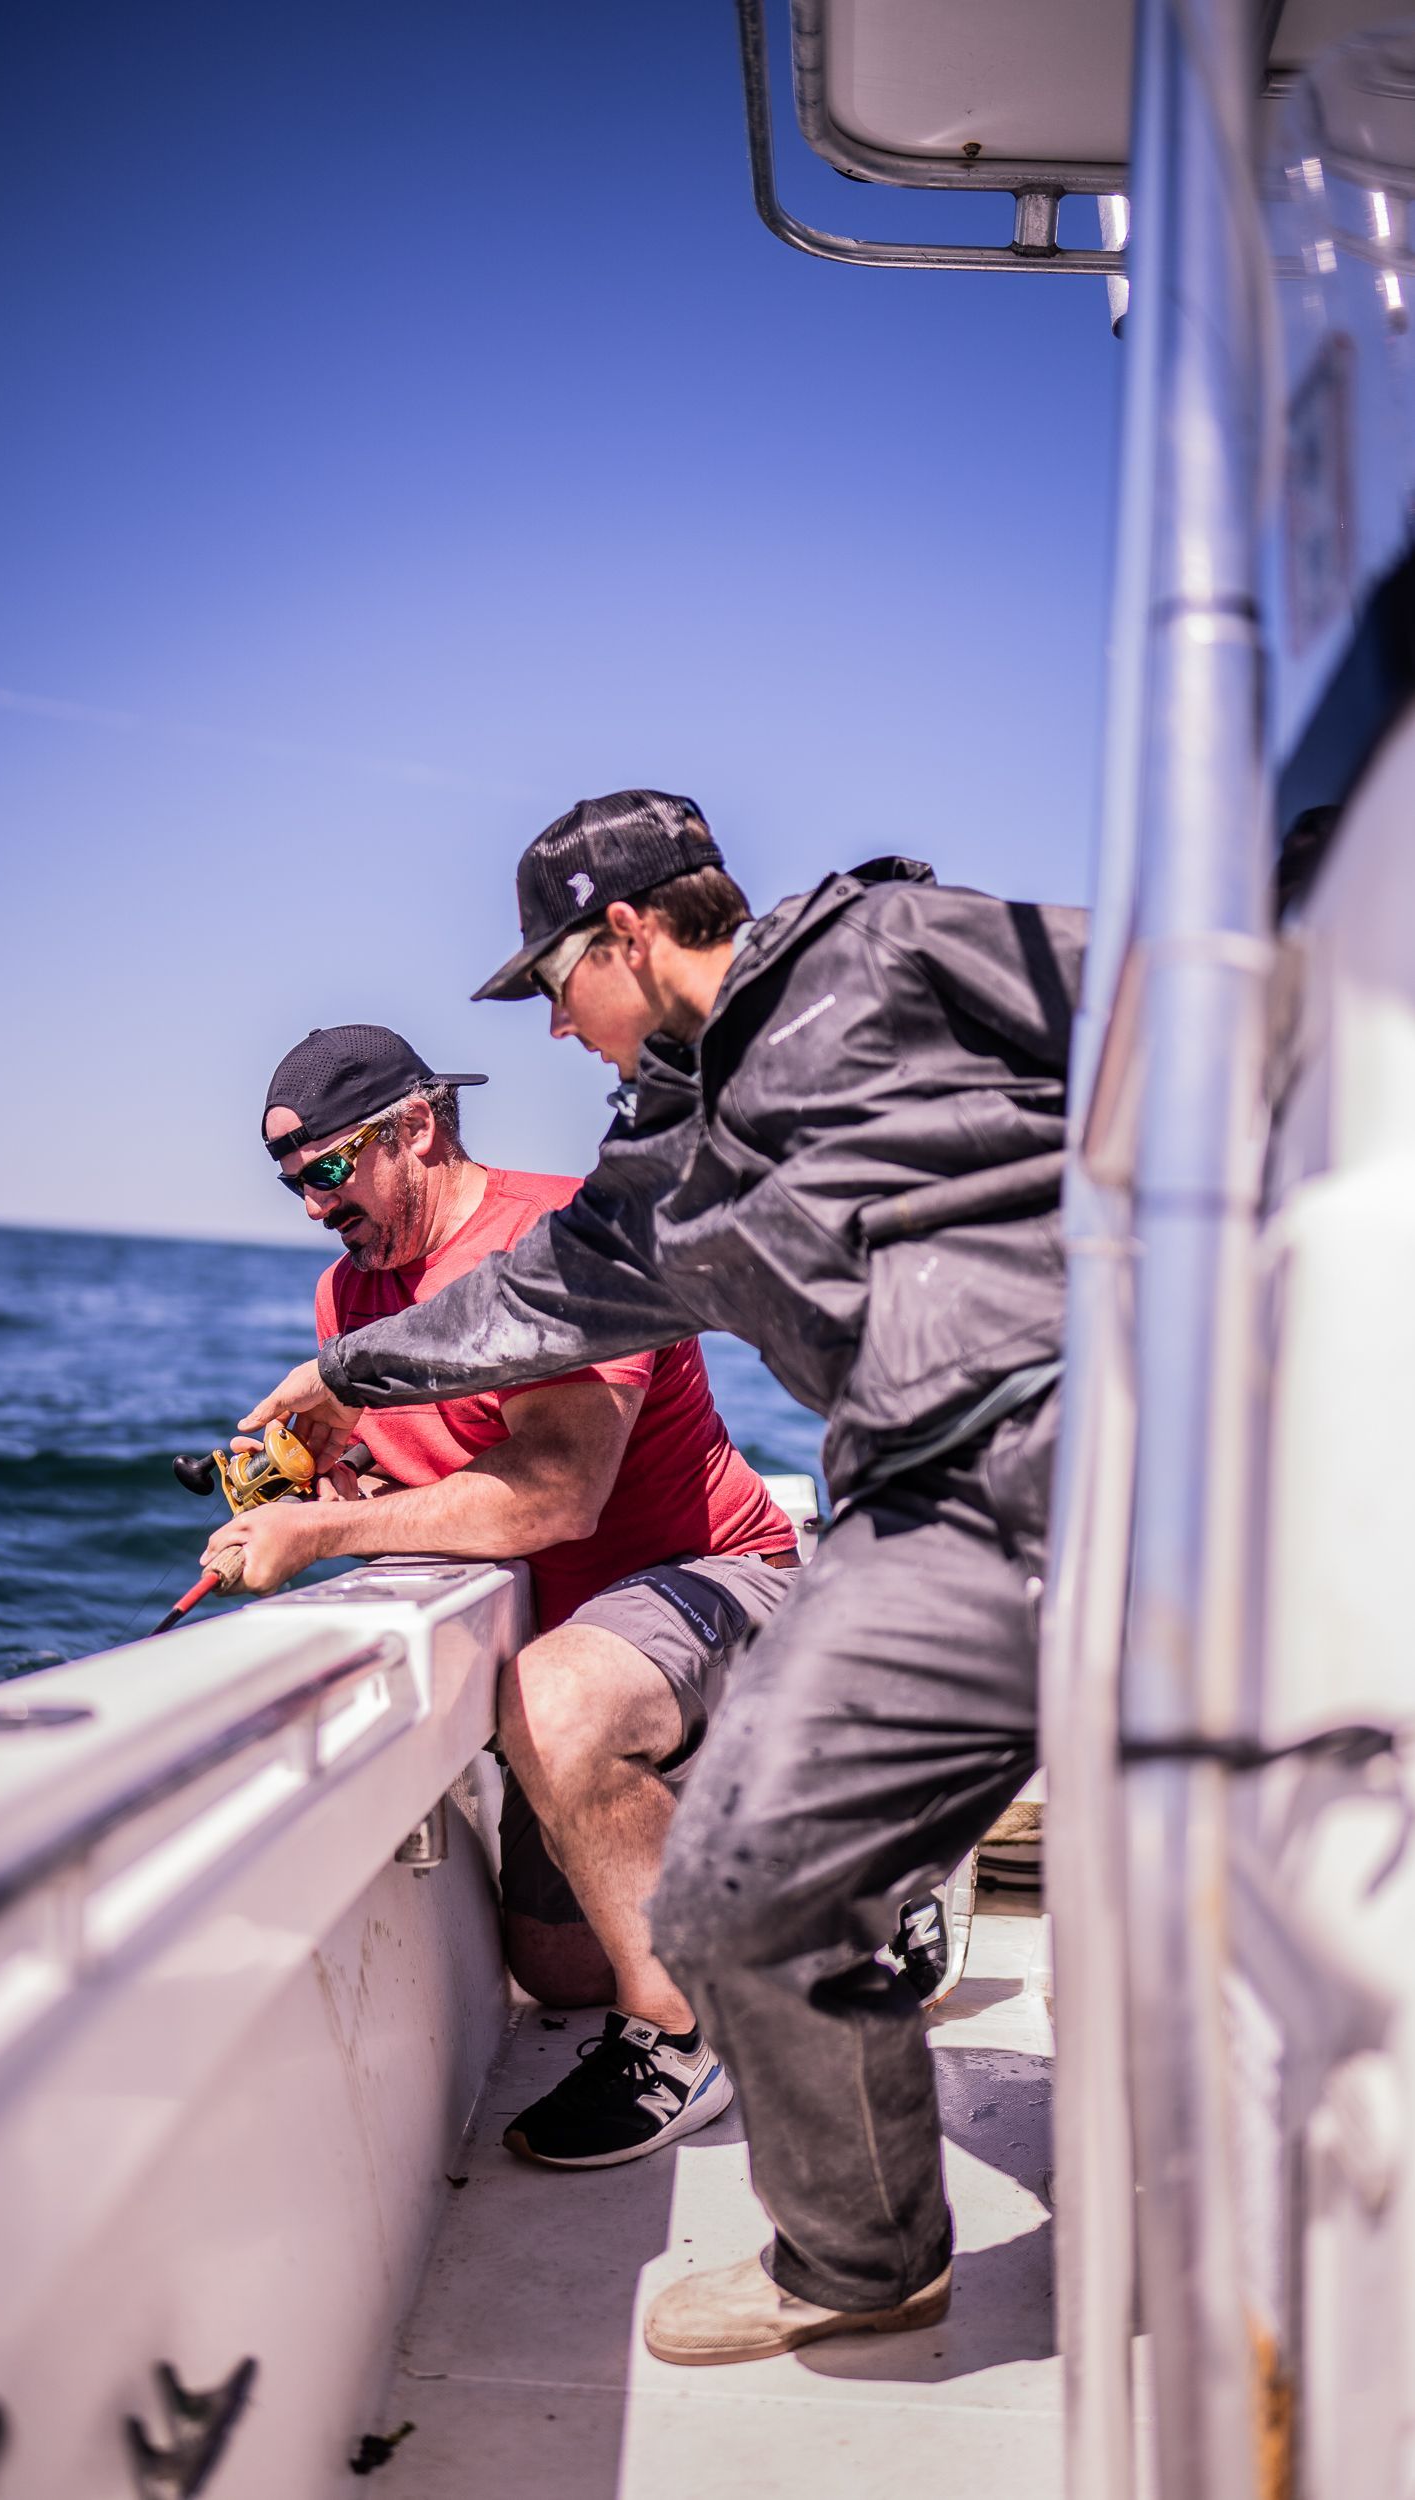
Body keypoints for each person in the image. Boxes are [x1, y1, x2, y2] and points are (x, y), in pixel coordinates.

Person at [234, 791, 1085, 2367]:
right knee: (737, 1889)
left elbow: (1205, 1010)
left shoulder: (894, 947)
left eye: (554, 988)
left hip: (1134, 1447)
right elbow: (533, 1304)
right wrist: (346, 1375)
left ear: (623, 933)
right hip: (925, 1517)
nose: (555, 1033)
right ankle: (861, 2258)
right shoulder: (659, 1158)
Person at [201, 1019, 799, 2170]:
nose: (314, 1206)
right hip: (593, 1627)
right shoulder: (348, 1295)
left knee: (552, 1699)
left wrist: (322, 1530)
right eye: (293, 1183)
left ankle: (689, 2040)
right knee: (558, 1968)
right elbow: (450, 1457)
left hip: (724, 1583)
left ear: (414, 1129)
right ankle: (783, 1888)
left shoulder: (560, 1238)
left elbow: (555, 1493)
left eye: (328, 1170)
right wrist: (342, 1476)